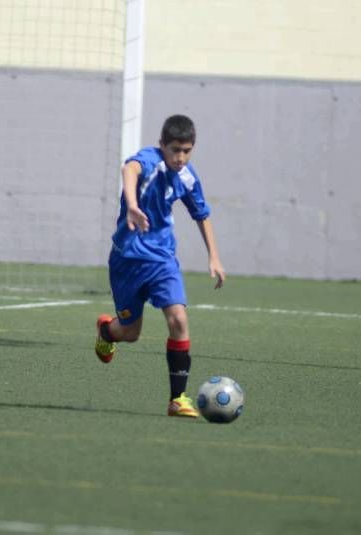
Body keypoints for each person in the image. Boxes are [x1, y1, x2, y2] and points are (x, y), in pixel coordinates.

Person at [95, 114, 226, 418]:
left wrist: (214, 256)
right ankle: (106, 331)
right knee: (130, 333)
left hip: (163, 260)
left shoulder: (188, 177)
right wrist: (131, 204)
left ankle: (177, 399)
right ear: (162, 146)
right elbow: (129, 168)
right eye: (175, 150)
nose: (180, 157)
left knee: (178, 319)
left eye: (187, 150)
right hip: (127, 260)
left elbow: (202, 214)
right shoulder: (150, 161)